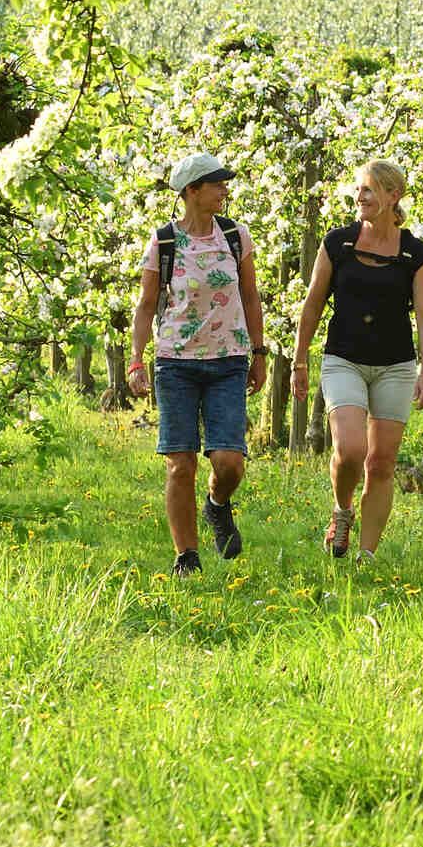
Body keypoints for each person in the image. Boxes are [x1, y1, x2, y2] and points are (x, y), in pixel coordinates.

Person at [127, 153, 268, 579]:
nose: (225, 190)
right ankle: (186, 556)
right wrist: (136, 360)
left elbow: (250, 295)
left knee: (229, 462)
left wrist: (259, 354)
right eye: (217, 183)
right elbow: (147, 305)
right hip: (176, 363)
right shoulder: (164, 242)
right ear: (192, 191)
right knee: (180, 464)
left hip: (228, 361)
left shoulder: (235, 236)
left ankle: (218, 505)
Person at [292, 160, 423, 559]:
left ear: (394, 196)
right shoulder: (337, 244)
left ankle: (367, 554)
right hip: (344, 359)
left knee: (382, 463)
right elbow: (313, 305)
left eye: (370, 190)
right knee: (352, 450)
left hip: (395, 365)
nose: (360, 197)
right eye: (358, 190)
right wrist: (299, 361)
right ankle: (342, 511)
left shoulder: (415, 253)